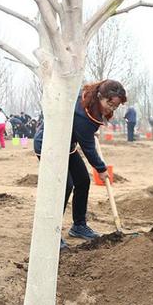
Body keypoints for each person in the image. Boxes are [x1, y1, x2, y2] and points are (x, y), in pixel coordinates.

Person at [34, 79, 127, 249]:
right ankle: (50, 232)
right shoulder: (83, 115)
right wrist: (101, 169)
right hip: (49, 146)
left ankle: (78, 226)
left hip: (65, 146)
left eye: (115, 107)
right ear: (101, 96)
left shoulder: (89, 100)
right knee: (65, 185)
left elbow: (84, 133)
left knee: (82, 180)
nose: (111, 109)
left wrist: (89, 133)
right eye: (110, 104)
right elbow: (88, 147)